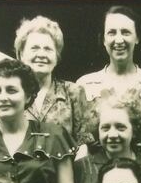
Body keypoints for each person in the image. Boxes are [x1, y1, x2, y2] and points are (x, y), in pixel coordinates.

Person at [77, 6, 141, 160]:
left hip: (140, 174)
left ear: (137, 38)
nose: (119, 40)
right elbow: (81, 143)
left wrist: (138, 177)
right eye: (112, 33)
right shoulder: (84, 85)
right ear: (104, 39)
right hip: (95, 175)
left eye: (126, 32)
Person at [15, 15, 94, 151]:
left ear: (57, 56)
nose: (41, 54)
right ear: (21, 54)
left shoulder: (74, 92)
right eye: (34, 48)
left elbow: (85, 145)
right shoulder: (11, 93)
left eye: (48, 49)